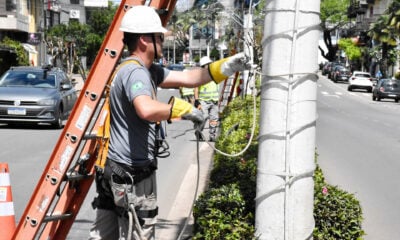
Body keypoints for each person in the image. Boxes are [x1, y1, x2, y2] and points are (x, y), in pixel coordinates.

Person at [89, 5, 250, 240]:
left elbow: (188, 78)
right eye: (159, 37)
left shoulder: (145, 70)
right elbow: (145, 108)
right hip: (132, 174)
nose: (163, 41)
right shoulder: (136, 73)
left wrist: (226, 66)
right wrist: (182, 109)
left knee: (104, 236)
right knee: (138, 234)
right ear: (144, 40)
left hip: (114, 171)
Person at [194, 56, 220, 142]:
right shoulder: (201, 76)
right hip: (203, 100)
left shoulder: (215, 74)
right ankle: (198, 131)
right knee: (203, 117)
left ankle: (212, 135)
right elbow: (196, 87)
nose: (209, 66)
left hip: (214, 101)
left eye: (210, 64)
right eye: (207, 65)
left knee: (214, 119)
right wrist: (196, 100)